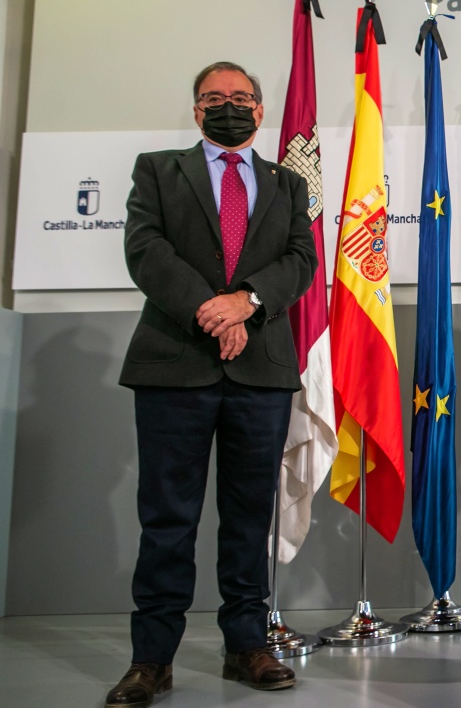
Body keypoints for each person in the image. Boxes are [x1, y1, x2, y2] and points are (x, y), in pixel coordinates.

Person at [105, 62, 317, 708]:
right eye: (214, 98)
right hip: (174, 364)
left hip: (261, 369)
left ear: (260, 109)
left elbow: (301, 260)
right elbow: (146, 249)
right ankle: (151, 659)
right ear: (197, 110)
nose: (229, 106)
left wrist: (246, 302)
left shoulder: (287, 182)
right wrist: (212, 309)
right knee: (167, 518)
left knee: (250, 518)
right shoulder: (157, 170)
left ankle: (247, 645)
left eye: (241, 97)